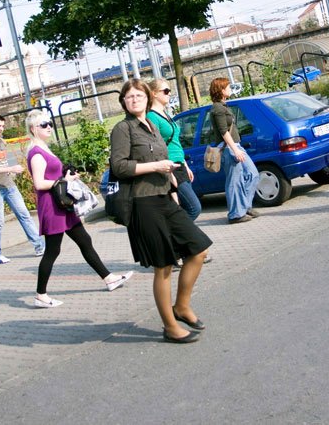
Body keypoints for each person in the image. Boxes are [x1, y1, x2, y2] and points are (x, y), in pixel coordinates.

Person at [109, 79, 212, 343]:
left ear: (147, 98)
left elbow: (160, 156)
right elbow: (119, 167)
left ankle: (182, 306)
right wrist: (155, 167)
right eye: (129, 97)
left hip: (164, 196)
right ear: (123, 102)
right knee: (163, 266)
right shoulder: (123, 129)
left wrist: (170, 175)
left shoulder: (152, 125)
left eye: (138, 95)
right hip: (143, 203)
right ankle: (170, 326)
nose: (134, 100)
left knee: (199, 249)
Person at [25, 110, 132, 308]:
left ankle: (109, 278)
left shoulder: (44, 148)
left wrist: (66, 174)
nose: (49, 127)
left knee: (84, 240)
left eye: (50, 124)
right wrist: (64, 180)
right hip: (52, 207)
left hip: (62, 205)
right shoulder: (36, 153)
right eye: (44, 125)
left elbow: (53, 175)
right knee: (52, 251)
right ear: (33, 129)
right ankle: (40, 295)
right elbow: (39, 183)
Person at [0, 114, 46, 264]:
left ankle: (39, 245)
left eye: (3, 126)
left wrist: (9, 171)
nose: (1, 129)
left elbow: (1, 164)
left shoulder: (1, 141)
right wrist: (11, 168)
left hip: (9, 185)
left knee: (24, 215)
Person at [147, 79, 202, 221]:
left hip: (180, 165)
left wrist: (185, 165)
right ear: (154, 93)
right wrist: (169, 173)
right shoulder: (151, 116)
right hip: (170, 167)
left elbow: (175, 143)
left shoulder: (165, 114)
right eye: (166, 91)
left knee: (180, 209)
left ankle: (177, 231)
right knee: (194, 208)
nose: (169, 93)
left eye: (170, 90)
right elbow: (155, 147)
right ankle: (176, 231)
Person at [209, 77, 260, 224]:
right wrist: (235, 150)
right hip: (229, 148)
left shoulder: (224, 106)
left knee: (252, 174)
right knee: (234, 180)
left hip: (236, 146)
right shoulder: (217, 108)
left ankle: (244, 206)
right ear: (221, 90)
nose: (230, 89)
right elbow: (223, 131)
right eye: (228, 87)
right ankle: (235, 214)